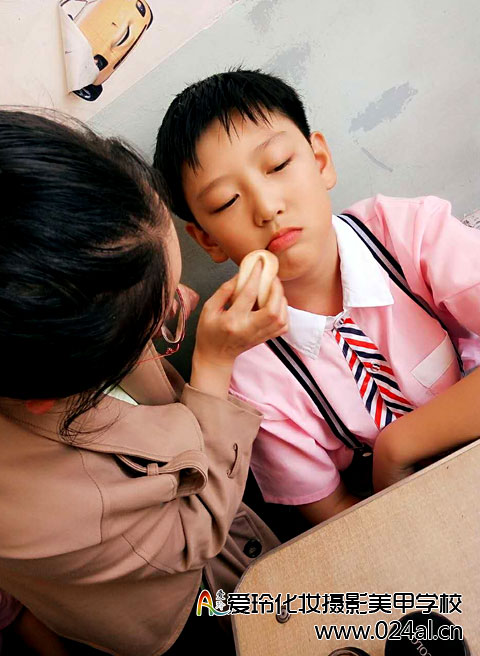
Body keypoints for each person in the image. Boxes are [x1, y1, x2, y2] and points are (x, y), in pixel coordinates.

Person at [0, 109, 288, 655]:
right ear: (49, 393)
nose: (190, 300)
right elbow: (194, 533)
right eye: (162, 315)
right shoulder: (56, 512)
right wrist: (214, 363)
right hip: (185, 613)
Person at [154, 68, 480, 526]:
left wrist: (399, 444)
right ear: (208, 240)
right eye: (227, 201)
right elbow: (335, 519)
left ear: (321, 161)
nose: (267, 208)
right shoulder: (249, 375)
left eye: (278, 166)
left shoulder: (410, 233)